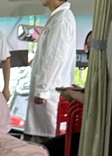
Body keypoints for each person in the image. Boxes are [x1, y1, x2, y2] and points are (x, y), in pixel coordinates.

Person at [23, 0, 76, 142]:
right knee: (38, 133)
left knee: (46, 137)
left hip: (50, 90)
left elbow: (55, 57)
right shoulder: (57, 17)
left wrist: (42, 89)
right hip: (46, 88)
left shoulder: (62, 19)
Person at [41, 30, 92, 156]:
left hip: (90, 134)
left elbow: (94, 102)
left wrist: (73, 94)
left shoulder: (105, 70)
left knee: (45, 149)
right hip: (85, 131)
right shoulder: (95, 71)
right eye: (87, 47)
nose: (89, 51)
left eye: (91, 46)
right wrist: (79, 90)